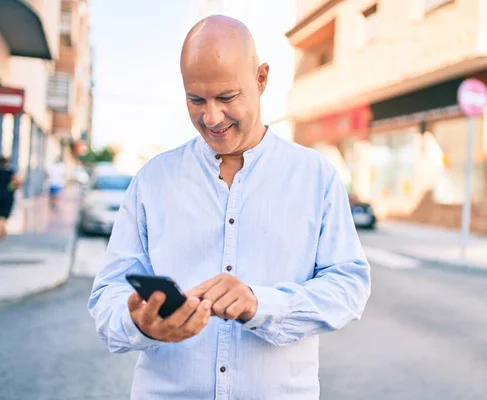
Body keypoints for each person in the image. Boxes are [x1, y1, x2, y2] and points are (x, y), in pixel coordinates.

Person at [88, 15, 370, 400]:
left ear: (261, 79)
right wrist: (140, 323)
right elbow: (107, 295)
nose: (211, 117)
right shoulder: (152, 180)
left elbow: (349, 287)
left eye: (226, 97)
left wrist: (261, 303)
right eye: (196, 99)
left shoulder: (315, 176)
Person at [0, 157, 20, 239]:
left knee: (1, 215)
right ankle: (2, 232)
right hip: (7, 196)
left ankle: (3, 231)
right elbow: (17, 182)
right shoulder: (10, 172)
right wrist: (10, 188)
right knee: (4, 215)